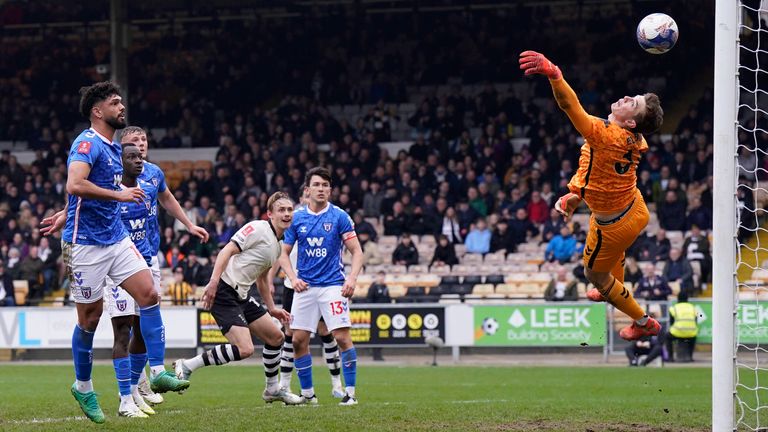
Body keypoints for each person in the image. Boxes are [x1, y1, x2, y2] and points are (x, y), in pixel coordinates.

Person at [40, 82, 188, 423]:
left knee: (149, 293)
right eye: (115, 102)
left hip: (116, 238)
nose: (122, 107)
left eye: (121, 101)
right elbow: (75, 184)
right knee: (89, 320)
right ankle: (83, 386)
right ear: (97, 111)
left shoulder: (112, 148)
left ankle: (157, 372)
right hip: (84, 244)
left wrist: (66, 210)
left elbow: (95, 188)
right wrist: (117, 196)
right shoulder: (88, 143)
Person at [520, 51, 663, 340]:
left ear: (631, 123)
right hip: (633, 207)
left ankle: (643, 321)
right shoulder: (634, 138)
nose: (626, 98)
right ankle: (610, 288)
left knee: (594, 275)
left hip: (613, 224)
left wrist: (555, 75)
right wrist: (575, 195)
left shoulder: (605, 135)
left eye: (632, 104)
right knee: (611, 258)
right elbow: (600, 178)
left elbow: (568, 105)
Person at [108, 127, 210, 409]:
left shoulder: (153, 173)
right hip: (118, 261)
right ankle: (134, 388)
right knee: (125, 328)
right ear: (121, 150)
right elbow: (85, 199)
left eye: (143, 140)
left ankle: (140, 385)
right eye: (133, 142)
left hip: (148, 257)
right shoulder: (110, 177)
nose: (140, 146)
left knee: (143, 327)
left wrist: (188, 225)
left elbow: (167, 199)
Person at [173, 192, 303, 405]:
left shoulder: (278, 245)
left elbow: (262, 279)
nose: (287, 213)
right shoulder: (258, 228)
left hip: (241, 295)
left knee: (276, 337)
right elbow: (227, 251)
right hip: (224, 291)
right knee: (245, 349)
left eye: (289, 210)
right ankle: (187, 365)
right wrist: (213, 282)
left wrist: (272, 308)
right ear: (270, 214)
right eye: (281, 210)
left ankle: (272, 390)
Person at [278, 167, 364, 406]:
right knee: (298, 340)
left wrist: (351, 279)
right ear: (307, 190)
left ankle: (350, 393)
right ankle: (308, 394)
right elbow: (283, 254)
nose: (321, 189)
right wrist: (293, 278)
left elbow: (357, 251)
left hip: (333, 286)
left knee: (342, 337)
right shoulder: (297, 218)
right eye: (316, 185)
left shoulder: (339, 216)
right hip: (305, 288)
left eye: (325, 185)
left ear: (330, 190)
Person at [268, 186, 345, 400]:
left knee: (326, 332)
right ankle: (285, 384)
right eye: (303, 196)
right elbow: (279, 254)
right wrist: (270, 279)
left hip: (318, 285)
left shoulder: (320, 222)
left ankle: (336, 384)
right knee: (290, 335)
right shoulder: (291, 224)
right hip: (293, 287)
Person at [667, 292, 699, 362]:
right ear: (687, 299)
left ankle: (670, 357)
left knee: (667, 337)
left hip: (677, 332)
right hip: (691, 332)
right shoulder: (693, 307)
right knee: (693, 337)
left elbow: (671, 322)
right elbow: (696, 320)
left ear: (678, 298)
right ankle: (690, 357)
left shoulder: (674, 308)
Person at [366, 271, 391, 361]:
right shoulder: (373, 287)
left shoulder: (385, 287)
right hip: (375, 314)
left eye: (383, 276)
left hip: (383, 315)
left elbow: (388, 299)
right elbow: (369, 299)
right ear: (377, 277)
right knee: (375, 334)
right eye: (380, 276)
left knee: (382, 334)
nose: (382, 278)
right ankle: (375, 354)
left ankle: (379, 353)